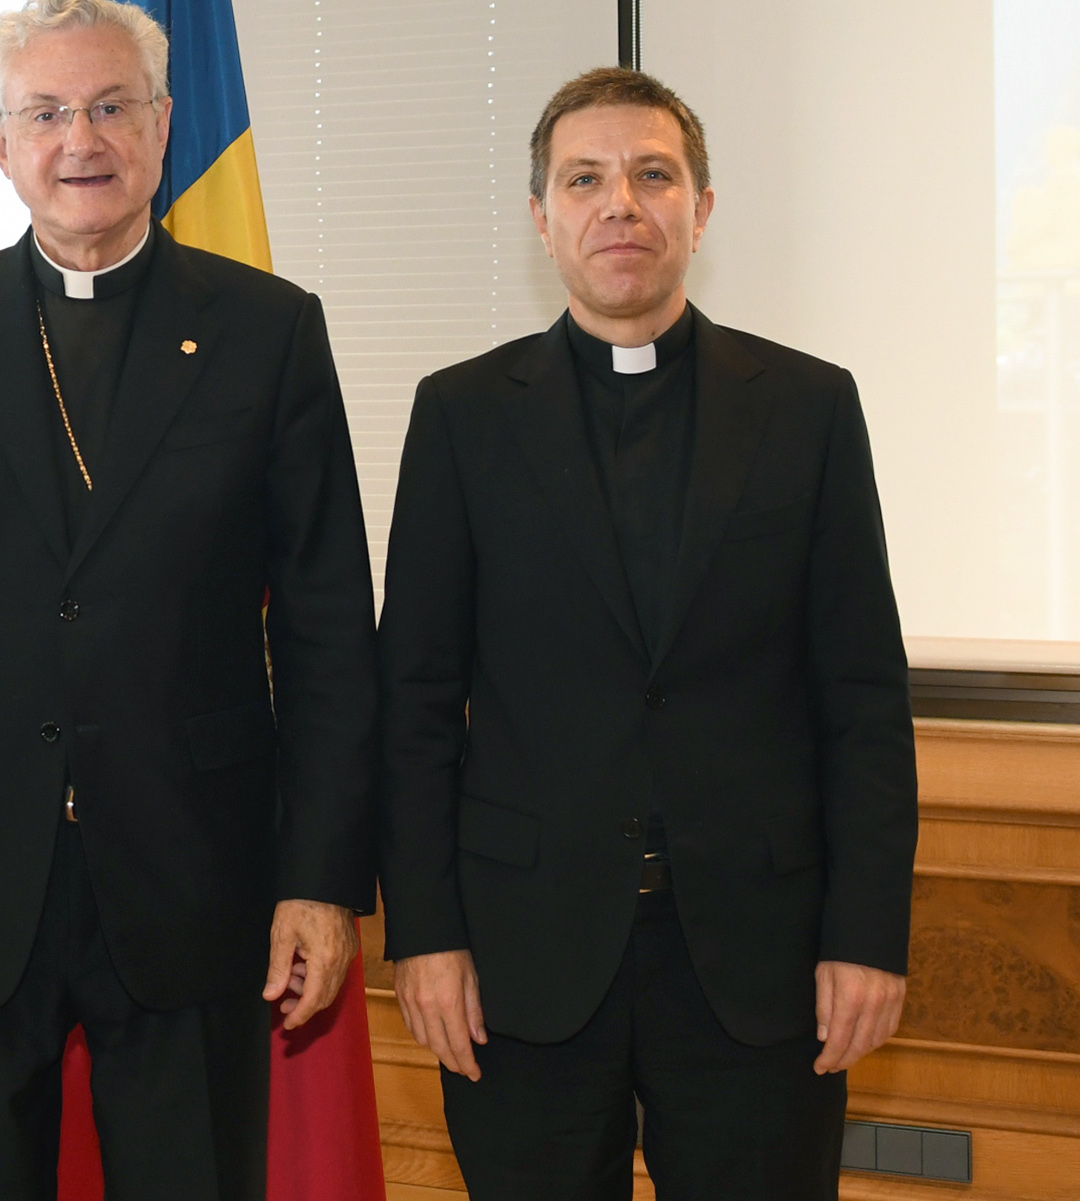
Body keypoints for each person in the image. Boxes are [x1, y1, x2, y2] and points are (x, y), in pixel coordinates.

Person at [0, 0, 378, 1201]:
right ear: (0, 142)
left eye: (112, 105)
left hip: (197, 874)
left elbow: (330, 634)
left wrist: (319, 878)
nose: (83, 140)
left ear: (164, 127)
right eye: (48, 111)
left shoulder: (266, 332)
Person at [377, 67, 918, 1199]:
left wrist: (865, 934)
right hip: (521, 964)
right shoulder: (461, 414)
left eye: (651, 174)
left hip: (756, 964)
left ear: (700, 207)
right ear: (541, 217)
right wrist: (422, 936)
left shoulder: (807, 408)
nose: (617, 202)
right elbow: (414, 703)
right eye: (583, 179)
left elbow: (860, 696)